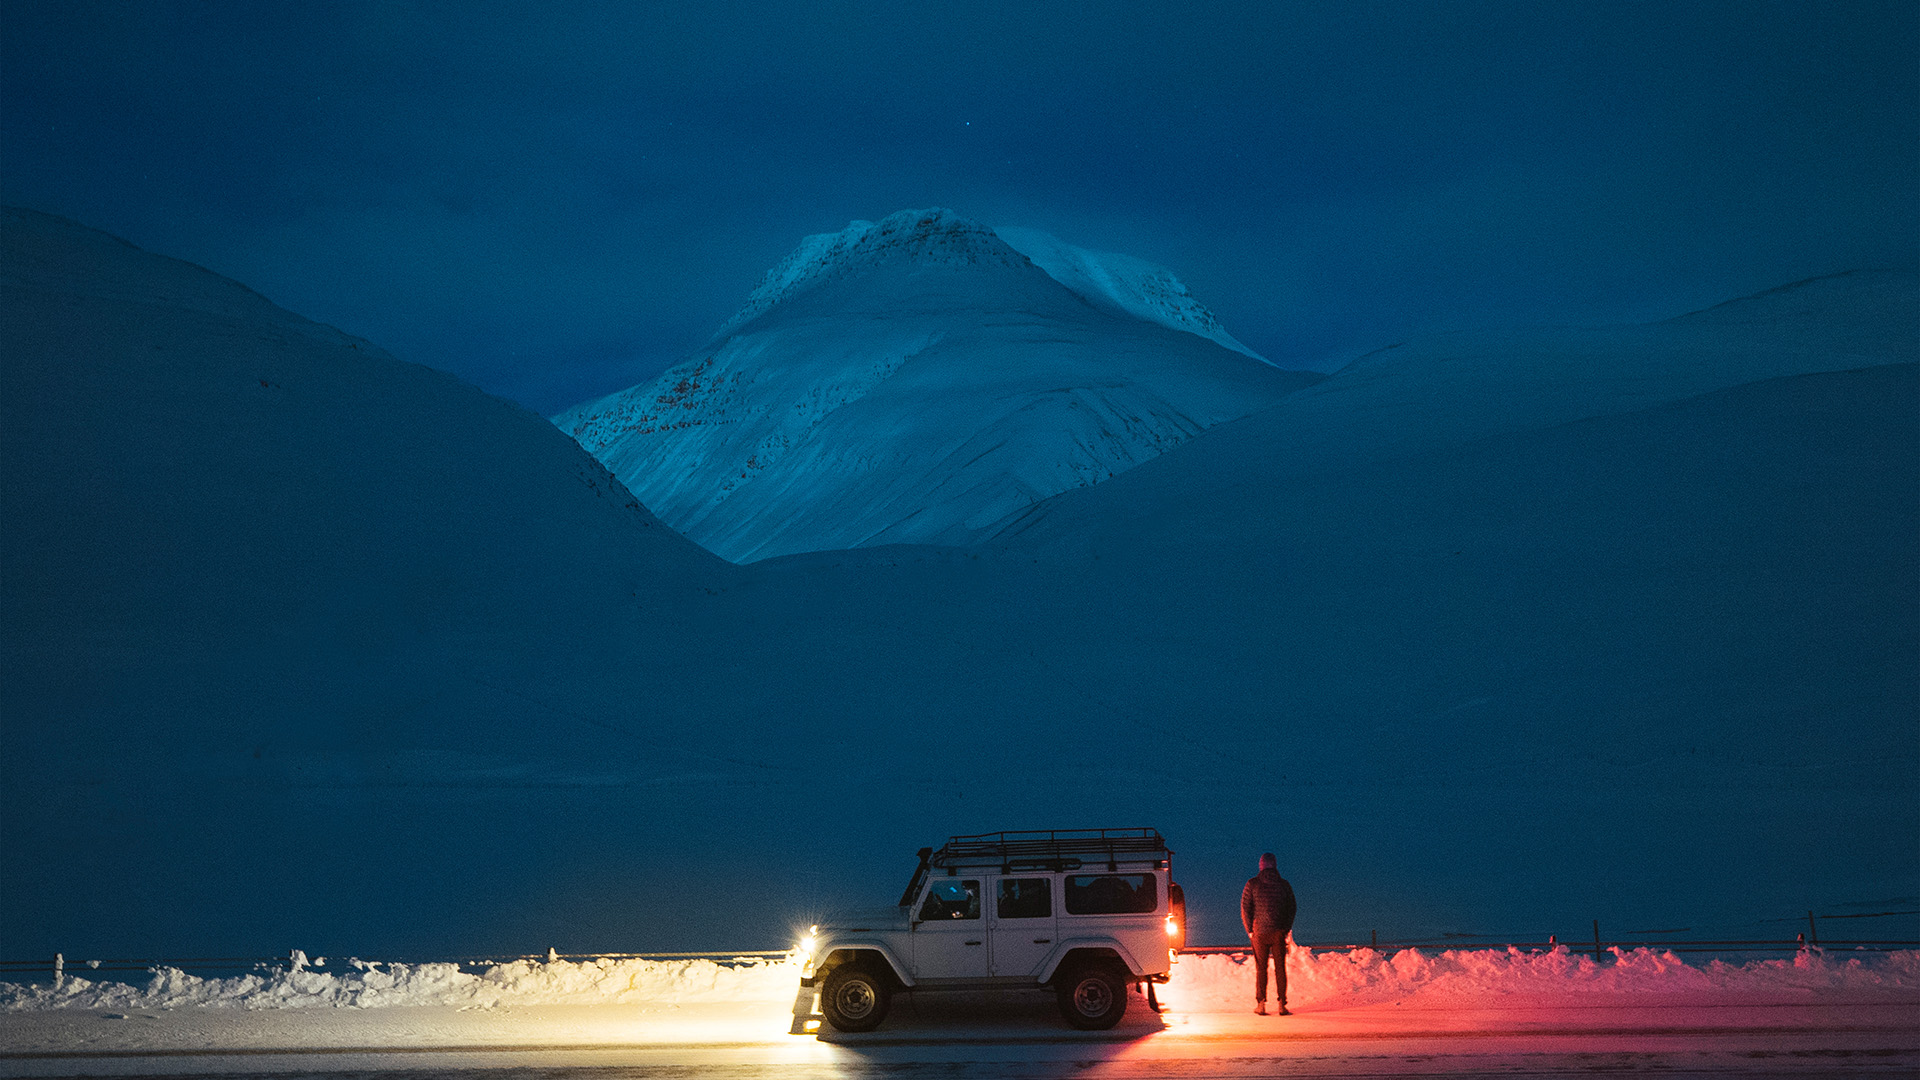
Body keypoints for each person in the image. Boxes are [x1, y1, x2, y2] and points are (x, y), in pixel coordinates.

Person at [1240, 852, 1297, 1015]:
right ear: (1275, 865)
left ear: (1261, 865)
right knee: (1280, 968)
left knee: (1261, 969)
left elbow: (1245, 908)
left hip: (1259, 933)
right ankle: (1282, 1005)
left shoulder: (1252, 884)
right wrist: (1285, 928)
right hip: (1278, 932)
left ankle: (1261, 1004)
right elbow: (1292, 907)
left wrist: (1250, 929)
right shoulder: (1284, 885)